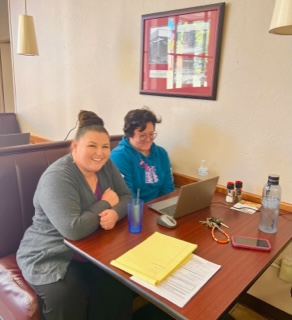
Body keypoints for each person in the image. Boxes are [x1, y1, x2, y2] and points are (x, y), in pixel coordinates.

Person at [16, 110, 134, 320]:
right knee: (68, 295)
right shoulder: (58, 177)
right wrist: (106, 203)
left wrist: (115, 214)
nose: (100, 153)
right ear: (76, 146)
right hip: (49, 251)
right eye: (92, 146)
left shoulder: (106, 166)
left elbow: (127, 196)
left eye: (105, 146)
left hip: (94, 249)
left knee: (119, 285)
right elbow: (73, 229)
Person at [110, 107, 174, 202]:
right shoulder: (119, 156)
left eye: (151, 134)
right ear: (129, 134)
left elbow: (167, 189)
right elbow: (128, 196)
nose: (148, 139)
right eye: (142, 135)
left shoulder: (161, 153)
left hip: (158, 207)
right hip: (135, 210)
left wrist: (162, 209)